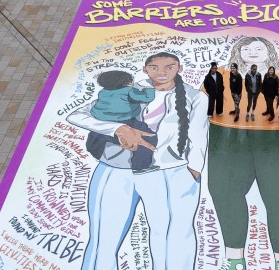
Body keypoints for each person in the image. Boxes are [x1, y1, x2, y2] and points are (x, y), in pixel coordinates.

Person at [66, 52, 209, 270]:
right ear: (145, 69)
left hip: (170, 172)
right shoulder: (129, 90)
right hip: (116, 168)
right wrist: (117, 129)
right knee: (104, 238)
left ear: (179, 68)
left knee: (173, 239)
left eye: (169, 67)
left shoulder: (195, 97)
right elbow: (77, 115)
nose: (161, 72)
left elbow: (198, 134)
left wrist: (194, 169)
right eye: (154, 67)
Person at [211, 37, 279, 270]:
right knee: (225, 194)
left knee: (278, 199)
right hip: (228, 139)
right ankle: (234, 259)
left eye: (258, 48)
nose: (251, 52)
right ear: (237, 52)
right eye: (246, 48)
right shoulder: (222, 74)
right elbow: (202, 103)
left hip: (277, 140)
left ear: (269, 51)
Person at [85, 70, 158, 172]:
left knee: (97, 135)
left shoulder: (103, 92)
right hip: (125, 121)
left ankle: (95, 152)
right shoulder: (128, 91)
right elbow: (146, 97)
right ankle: (140, 166)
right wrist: (149, 87)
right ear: (125, 82)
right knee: (148, 136)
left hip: (104, 121)